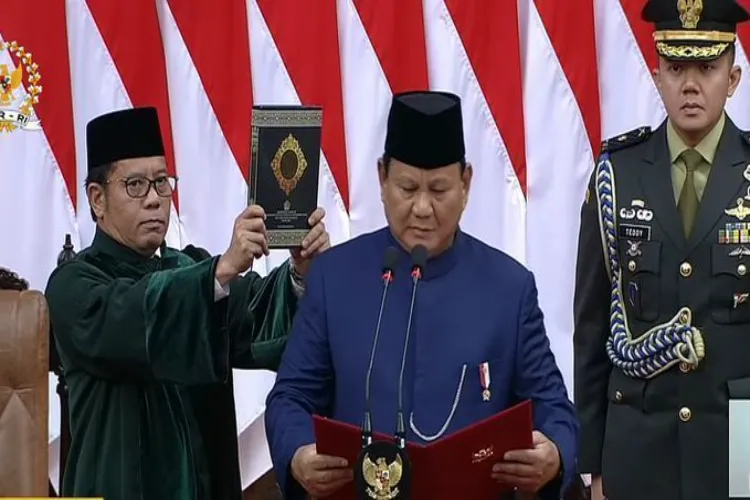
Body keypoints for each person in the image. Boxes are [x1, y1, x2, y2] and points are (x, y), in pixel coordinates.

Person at [264, 90, 579, 499]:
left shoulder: (508, 288)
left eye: (439, 189)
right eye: (408, 188)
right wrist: (299, 453)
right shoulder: (333, 277)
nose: (423, 208)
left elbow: (554, 407)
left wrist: (553, 453)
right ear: (382, 178)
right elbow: (290, 397)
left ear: (466, 184)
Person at [44, 107, 331, 500]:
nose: (154, 200)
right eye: (135, 185)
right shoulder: (75, 285)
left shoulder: (190, 267)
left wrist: (301, 271)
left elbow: (261, 321)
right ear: (97, 198)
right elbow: (135, 319)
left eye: (162, 183)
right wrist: (221, 271)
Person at [573, 1, 750, 499]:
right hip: (636, 445)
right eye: (675, 68)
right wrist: (594, 467)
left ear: (733, 78)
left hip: (739, 442)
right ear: (656, 75)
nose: (689, 85)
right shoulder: (617, 175)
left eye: (707, 68)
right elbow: (590, 330)